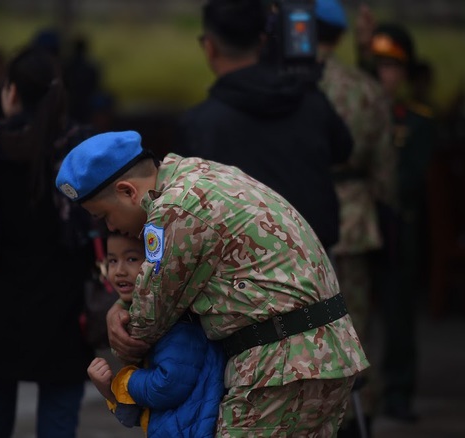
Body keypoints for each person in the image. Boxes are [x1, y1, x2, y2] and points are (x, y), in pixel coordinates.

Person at [56, 130, 369, 436]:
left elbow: (147, 322)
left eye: (104, 216)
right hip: (319, 354)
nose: (112, 227)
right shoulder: (203, 173)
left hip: (281, 367)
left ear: (128, 192)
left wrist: (118, 315)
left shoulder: (175, 209)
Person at [0, 47, 95, 438]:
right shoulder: (80, 144)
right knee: (59, 423)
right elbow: (94, 227)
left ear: (10, 91)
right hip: (63, 301)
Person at [179, 0, 353, 251]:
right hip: (314, 262)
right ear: (263, 41)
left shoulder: (199, 124)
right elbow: (344, 149)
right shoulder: (309, 100)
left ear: (209, 47)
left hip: (240, 268)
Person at [314, 0, 397, 435]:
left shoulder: (290, 86)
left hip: (296, 218)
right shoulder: (366, 89)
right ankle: (355, 413)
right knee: (355, 324)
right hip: (354, 217)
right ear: (340, 35)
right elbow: (386, 173)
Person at [356, 7, 436, 422]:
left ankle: (399, 392)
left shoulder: (418, 122)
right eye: (378, 65)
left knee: (399, 311)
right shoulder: (356, 111)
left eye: (392, 66)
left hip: (397, 224)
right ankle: (358, 390)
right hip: (359, 223)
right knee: (354, 310)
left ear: (404, 71)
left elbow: (410, 178)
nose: (385, 74)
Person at [87, 232, 225, 437]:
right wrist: (108, 390)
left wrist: (124, 381)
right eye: (112, 260)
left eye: (132, 259)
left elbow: (169, 385)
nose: (119, 271)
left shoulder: (176, 319)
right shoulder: (145, 316)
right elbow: (142, 413)